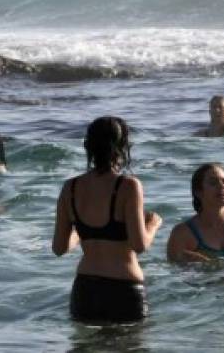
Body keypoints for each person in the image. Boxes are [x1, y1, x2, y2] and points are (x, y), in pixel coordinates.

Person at [51, 116, 162, 323]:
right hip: (124, 289)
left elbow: (59, 248)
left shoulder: (70, 188)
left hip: (85, 289)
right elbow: (139, 245)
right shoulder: (128, 186)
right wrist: (152, 225)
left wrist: (82, 232)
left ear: (89, 146)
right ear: (122, 146)